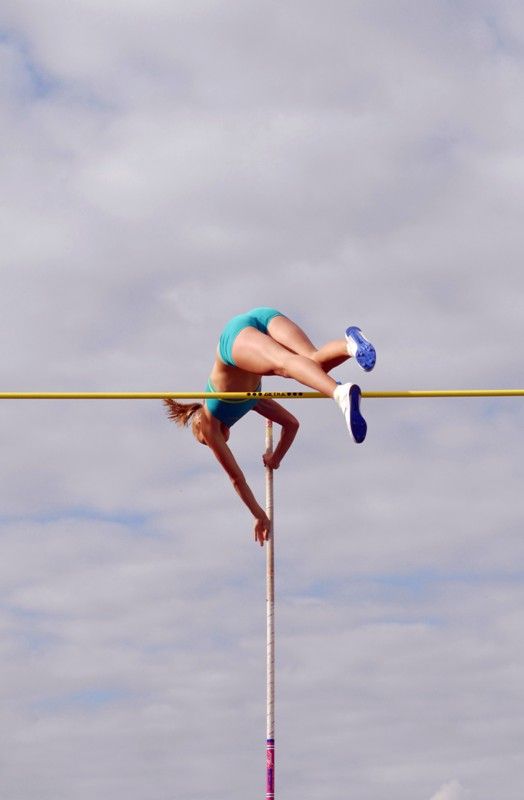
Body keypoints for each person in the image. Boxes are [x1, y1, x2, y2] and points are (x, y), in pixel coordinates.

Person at [164, 307, 376, 547]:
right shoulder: (251, 401)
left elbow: (237, 479)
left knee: (284, 365)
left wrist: (258, 515)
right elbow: (291, 424)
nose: (212, 444)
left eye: (204, 441)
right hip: (264, 317)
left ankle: (339, 393)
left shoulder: (209, 422)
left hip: (234, 339)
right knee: (312, 364)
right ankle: (351, 346)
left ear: (200, 426)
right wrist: (275, 458)